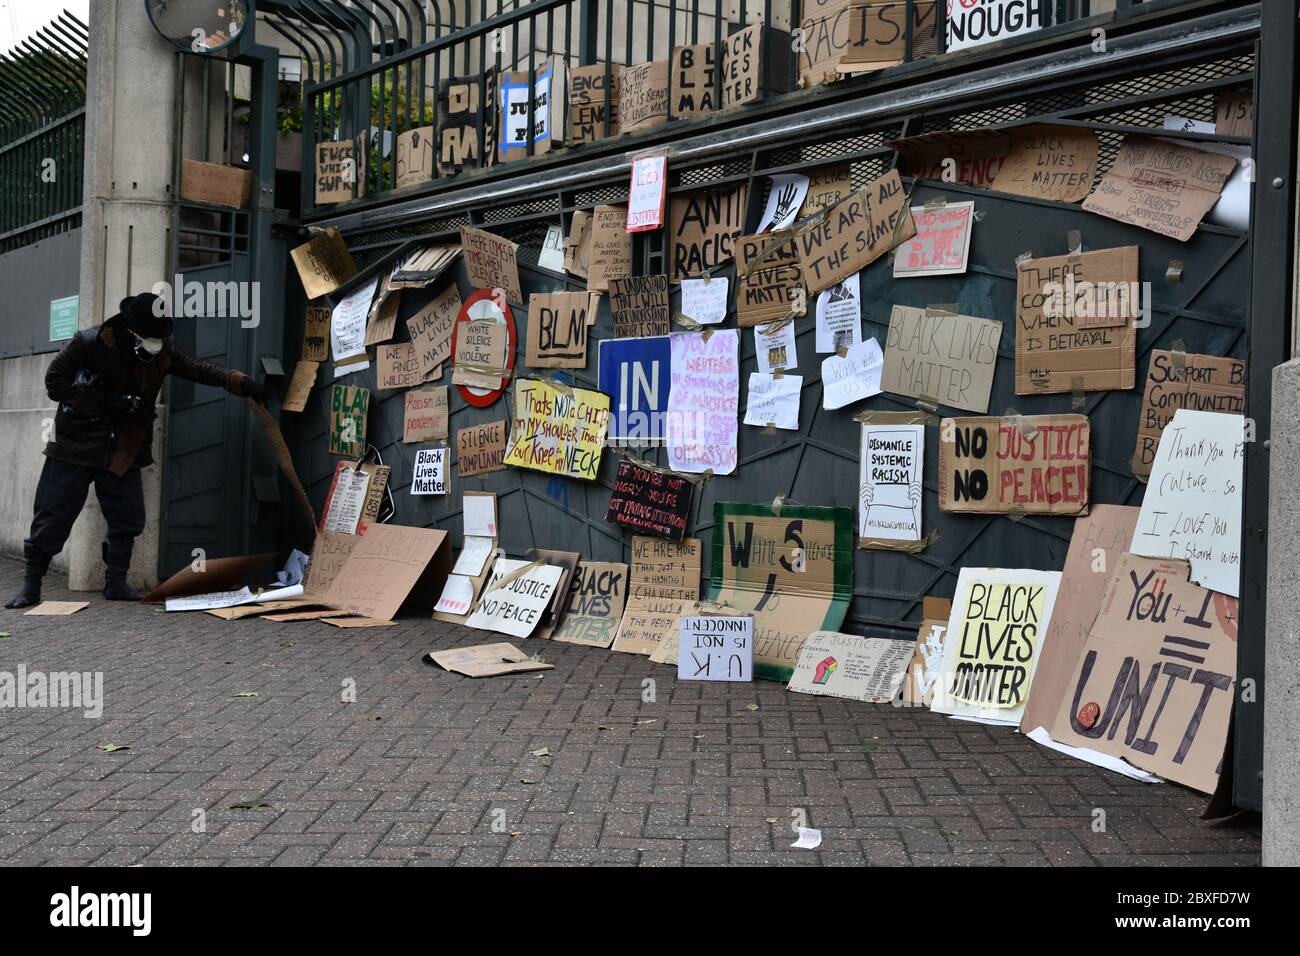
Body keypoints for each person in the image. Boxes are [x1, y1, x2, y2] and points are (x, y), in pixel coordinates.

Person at [4, 293, 268, 609]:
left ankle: (116, 582)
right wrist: (100, 401)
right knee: (53, 513)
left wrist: (238, 382)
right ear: (130, 329)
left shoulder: (161, 352)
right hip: (76, 444)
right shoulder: (89, 341)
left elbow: (197, 368)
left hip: (124, 447)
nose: (153, 342)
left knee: (127, 516)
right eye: (148, 335)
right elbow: (54, 382)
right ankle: (31, 586)